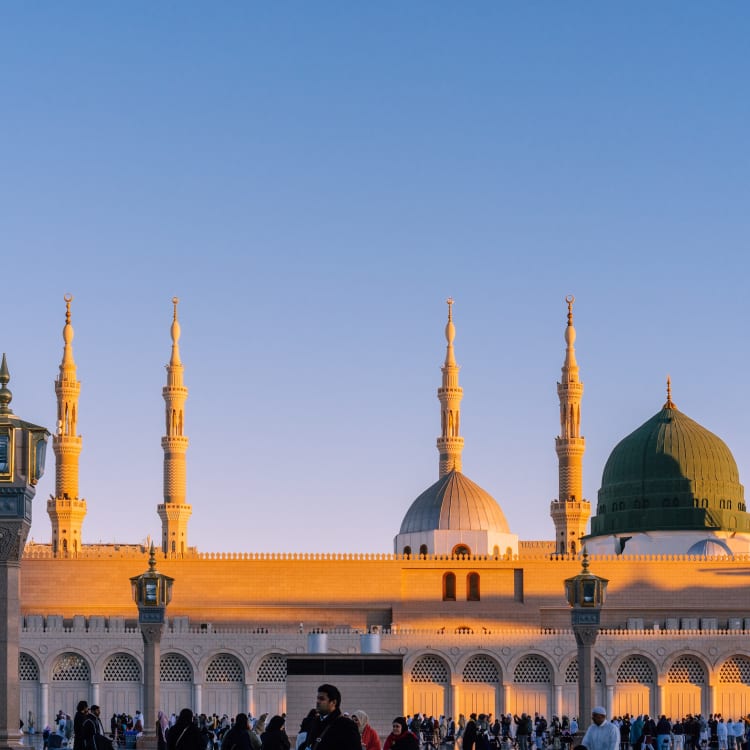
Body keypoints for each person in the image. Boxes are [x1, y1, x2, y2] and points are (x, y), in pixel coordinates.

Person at [301, 684, 360, 750]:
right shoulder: (314, 722)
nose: (318, 702)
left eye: (322, 699)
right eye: (317, 698)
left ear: (333, 702)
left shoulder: (347, 726)